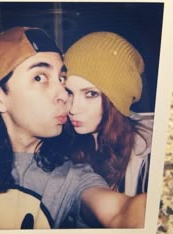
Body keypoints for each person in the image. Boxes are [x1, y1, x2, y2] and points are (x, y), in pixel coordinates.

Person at [0, 26, 146, 230]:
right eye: (39, 77)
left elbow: (121, 212)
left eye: (61, 78)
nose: (65, 96)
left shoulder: (71, 177)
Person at [64, 32, 153, 199]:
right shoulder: (63, 143)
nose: (73, 109)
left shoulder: (149, 158)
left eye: (91, 94)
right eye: (69, 92)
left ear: (118, 99)